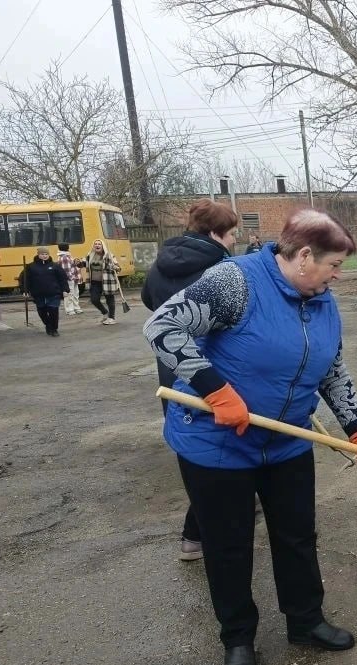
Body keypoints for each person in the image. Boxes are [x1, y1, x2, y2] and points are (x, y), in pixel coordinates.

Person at [143, 208, 357, 665]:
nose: (338, 276)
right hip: (216, 445)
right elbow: (163, 327)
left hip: (287, 441)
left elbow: (332, 369)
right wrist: (215, 389)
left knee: (297, 535)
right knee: (228, 545)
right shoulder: (234, 283)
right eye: (334, 265)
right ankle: (238, 638)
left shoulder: (321, 299)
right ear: (303, 256)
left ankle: (306, 620)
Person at [142, 199, 239, 563]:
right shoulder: (221, 268)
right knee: (220, 453)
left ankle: (199, 533)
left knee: (195, 452)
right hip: (211, 372)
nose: (233, 241)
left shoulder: (160, 264)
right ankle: (197, 534)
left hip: (173, 369)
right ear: (215, 233)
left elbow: (152, 303)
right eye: (230, 234)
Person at [22, 247, 69, 336]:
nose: (44, 256)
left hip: (54, 293)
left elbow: (62, 279)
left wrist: (65, 290)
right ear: (38, 255)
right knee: (42, 311)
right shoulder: (31, 267)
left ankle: (54, 329)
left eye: (46, 254)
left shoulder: (55, 266)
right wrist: (25, 290)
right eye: (42, 254)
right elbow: (24, 279)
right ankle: (48, 325)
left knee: (53, 311)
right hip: (38, 294)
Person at [83, 239, 122, 325]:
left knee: (109, 299)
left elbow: (118, 267)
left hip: (107, 282)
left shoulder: (109, 255)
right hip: (94, 282)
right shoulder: (90, 255)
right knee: (94, 300)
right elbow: (83, 263)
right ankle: (105, 312)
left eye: (99, 244)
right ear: (93, 246)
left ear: (102, 246)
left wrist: (114, 267)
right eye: (95, 244)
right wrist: (77, 262)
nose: (97, 245)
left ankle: (112, 317)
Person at [57, 243, 83, 315]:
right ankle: (69, 309)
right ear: (67, 247)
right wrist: (71, 278)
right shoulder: (65, 257)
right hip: (70, 279)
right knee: (70, 294)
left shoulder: (66, 256)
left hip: (73, 278)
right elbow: (66, 270)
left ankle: (76, 307)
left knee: (75, 293)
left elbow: (70, 267)